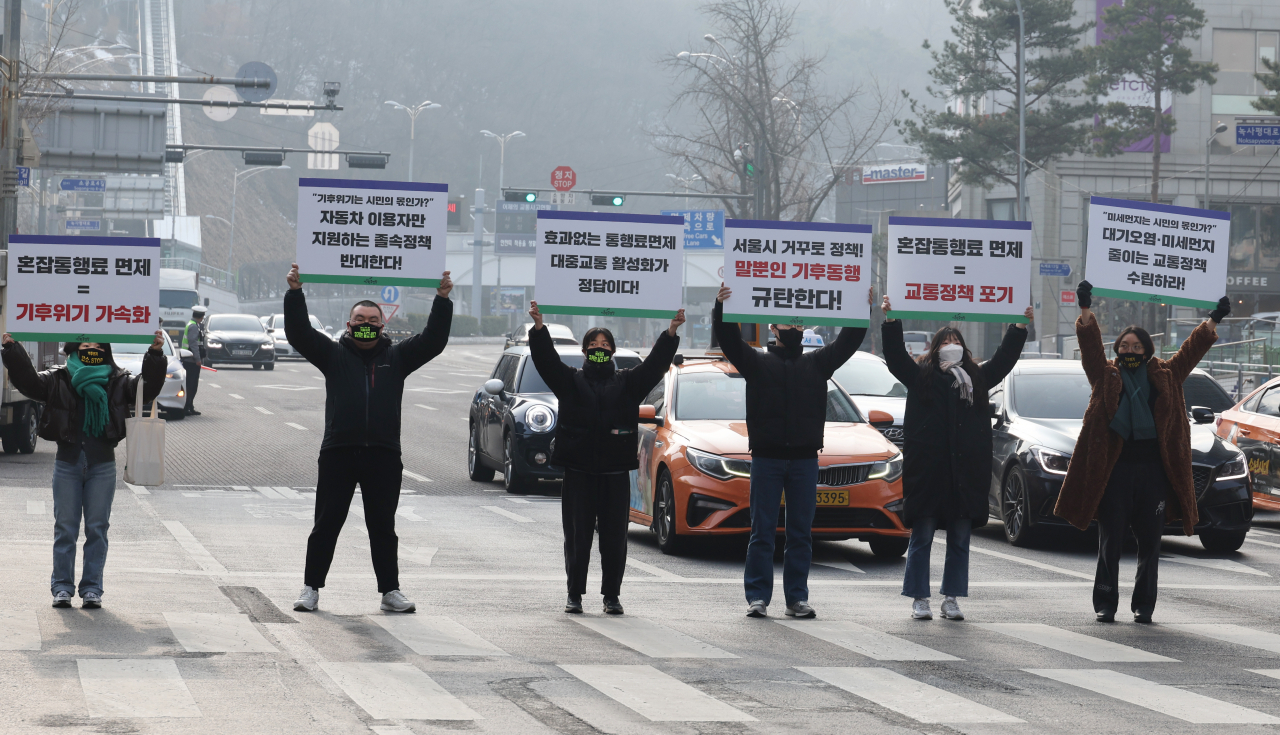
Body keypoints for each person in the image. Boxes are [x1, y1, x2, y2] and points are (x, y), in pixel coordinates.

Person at [1055, 281, 1227, 624]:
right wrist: (1085, 310)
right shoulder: (1106, 375)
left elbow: (1192, 350)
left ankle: (1143, 605)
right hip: (1114, 473)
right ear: (1117, 349)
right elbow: (1090, 350)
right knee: (1110, 542)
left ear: (1147, 350)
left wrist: (1214, 320)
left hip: (1154, 475)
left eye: (1136, 346)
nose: (1129, 350)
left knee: (1150, 545)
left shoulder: (1167, 374)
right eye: (1124, 345)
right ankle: (1105, 602)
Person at [285, 263, 453, 613]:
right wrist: (295, 293)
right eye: (359, 320)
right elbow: (299, 334)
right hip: (338, 452)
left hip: (383, 454)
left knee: (383, 526)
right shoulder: (332, 355)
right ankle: (310, 588)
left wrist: (441, 300)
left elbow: (434, 341)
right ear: (349, 325)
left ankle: (390, 592)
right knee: (327, 523)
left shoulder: (398, 356)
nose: (366, 325)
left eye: (372, 320)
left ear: (382, 324)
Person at [713, 284, 866, 619]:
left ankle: (797, 598)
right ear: (773, 328)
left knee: (800, 533)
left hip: (804, 460)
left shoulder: (818, 363)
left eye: (799, 325)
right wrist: (721, 306)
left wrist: (859, 308)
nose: (794, 330)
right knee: (762, 531)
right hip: (766, 459)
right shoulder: (756, 363)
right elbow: (728, 341)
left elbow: (849, 342)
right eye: (788, 325)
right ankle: (757, 597)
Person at [526, 301, 684, 615]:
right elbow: (546, 361)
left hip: (614, 474)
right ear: (584, 352)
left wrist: (671, 332)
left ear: (612, 351)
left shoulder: (627, 383)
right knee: (577, 536)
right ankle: (575, 594)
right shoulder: (570, 382)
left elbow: (654, 366)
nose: (600, 348)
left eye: (605, 344)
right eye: (594, 345)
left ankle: (612, 596)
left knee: (614, 540)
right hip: (579, 473)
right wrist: (540, 328)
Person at [881, 297, 1032, 621]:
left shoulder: (977, 380)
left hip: (964, 475)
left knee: (960, 540)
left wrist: (1019, 327)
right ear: (935, 349)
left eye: (956, 342)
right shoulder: (920, 377)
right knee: (921, 538)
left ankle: (951, 599)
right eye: (946, 342)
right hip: (928, 474)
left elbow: (1004, 359)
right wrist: (891, 320)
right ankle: (920, 598)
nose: (952, 347)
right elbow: (894, 357)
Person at [1, 330, 166, 609]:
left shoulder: (118, 379)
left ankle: (92, 589)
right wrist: (12, 349)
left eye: (96, 344)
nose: (90, 348)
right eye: (85, 343)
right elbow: (29, 383)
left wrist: (156, 354)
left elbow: (146, 389)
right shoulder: (59, 378)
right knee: (65, 528)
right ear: (74, 347)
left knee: (97, 529)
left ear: (105, 350)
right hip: (67, 463)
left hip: (102, 465)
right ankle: (62, 587)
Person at [180, 305, 206, 416]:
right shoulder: (194, 327)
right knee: (191, 385)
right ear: (202, 316)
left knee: (192, 385)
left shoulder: (193, 324)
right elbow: (193, 344)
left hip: (189, 359)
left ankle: (190, 406)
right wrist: (198, 359)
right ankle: (186, 406)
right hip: (191, 361)